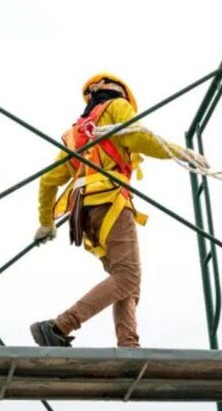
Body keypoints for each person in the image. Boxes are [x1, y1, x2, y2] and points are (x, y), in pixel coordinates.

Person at [30, 72, 206, 348]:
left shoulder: (75, 133)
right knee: (128, 276)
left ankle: (128, 342)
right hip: (111, 202)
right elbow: (139, 139)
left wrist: (46, 223)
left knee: (125, 279)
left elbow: (48, 180)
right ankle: (58, 326)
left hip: (87, 215)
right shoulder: (116, 108)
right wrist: (178, 153)